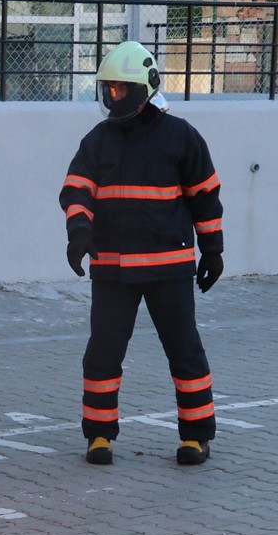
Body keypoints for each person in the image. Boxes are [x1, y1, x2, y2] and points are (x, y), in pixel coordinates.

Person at [59, 41, 224, 466]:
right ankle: (99, 435)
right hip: (113, 269)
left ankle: (197, 437)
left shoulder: (181, 136)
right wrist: (79, 232)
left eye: (121, 89)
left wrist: (213, 249)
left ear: (144, 88)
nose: (113, 96)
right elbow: (76, 190)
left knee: (185, 351)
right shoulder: (97, 140)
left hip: (169, 268)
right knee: (103, 354)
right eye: (108, 89)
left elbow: (205, 195)